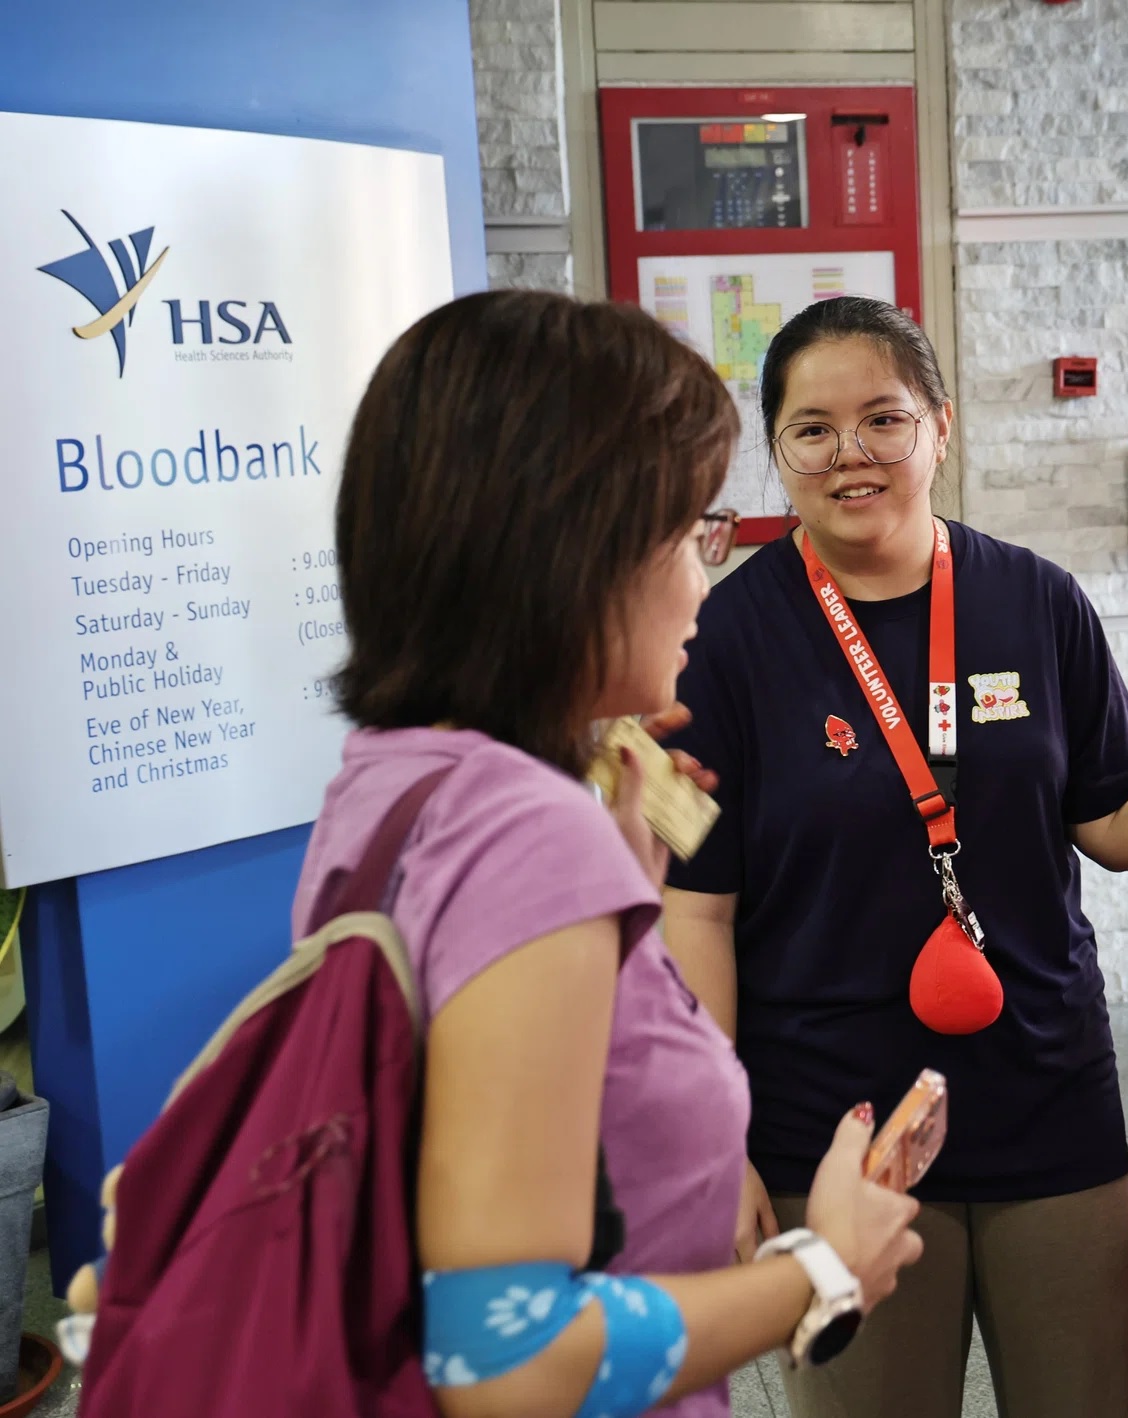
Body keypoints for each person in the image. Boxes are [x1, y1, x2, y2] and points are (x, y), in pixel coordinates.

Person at [61, 293, 926, 1418]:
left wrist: (620, 875)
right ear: (576, 556)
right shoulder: (528, 833)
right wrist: (821, 1272)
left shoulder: (397, 776)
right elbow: (505, 1359)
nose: (700, 580)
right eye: (686, 535)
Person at [660, 296, 1128, 1418]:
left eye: (883, 419)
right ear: (777, 451)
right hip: (832, 1119)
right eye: (812, 430)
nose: (850, 454)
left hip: (1043, 1085)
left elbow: (1115, 816)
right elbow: (696, 909)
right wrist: (717, 1131)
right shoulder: (726, 641)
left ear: (941, 427)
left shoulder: (1035, 601)